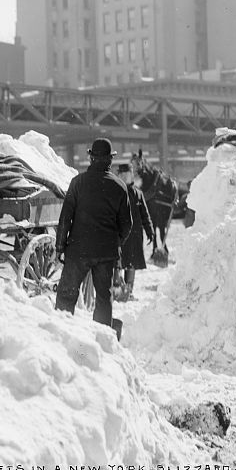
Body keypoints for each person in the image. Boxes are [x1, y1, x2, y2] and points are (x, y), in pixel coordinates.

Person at [55, 139, 133, 333]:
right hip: (105, 253)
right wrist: (115, 243)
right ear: (109, 160)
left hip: (78, 250)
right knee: (103, 299)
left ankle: (62, 335)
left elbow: (65, 218)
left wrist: (60, 247)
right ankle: (102, 339)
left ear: (91, 157)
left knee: (66, 295)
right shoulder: (119, 187)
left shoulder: (77, 183)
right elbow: (127, 224)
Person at [117, 163, 154, 300]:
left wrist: (149, 230)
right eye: (122, 175)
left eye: (127, 174)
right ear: (119, 176)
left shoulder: (138, 193)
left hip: (134, 235)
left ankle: (129, 291)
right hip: (119, 235)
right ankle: (118, 289)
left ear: (131, 175)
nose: (125, 177)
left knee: (131, 263)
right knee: (119, 263)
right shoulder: (115, 192)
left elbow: (145, 214)